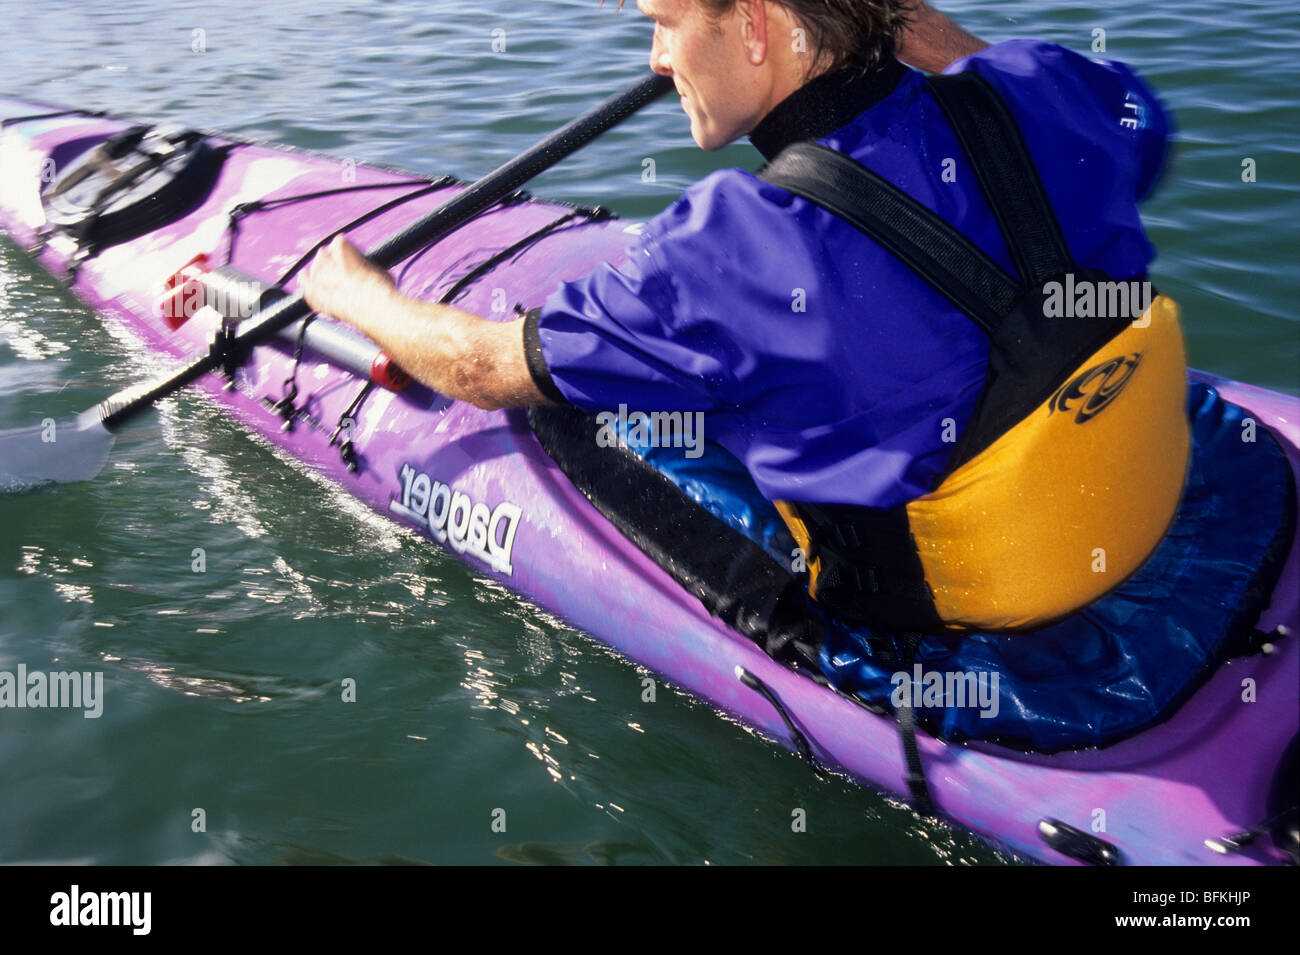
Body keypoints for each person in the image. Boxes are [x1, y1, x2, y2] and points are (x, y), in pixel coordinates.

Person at [298, 0, 1186, 638]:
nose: (654, 59)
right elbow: (1141, 133)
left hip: (962, 592)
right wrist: (926, 33)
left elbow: (479, 372)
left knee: (567, 411)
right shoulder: (1041, 80)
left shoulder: (727, 248)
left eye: (663, 22)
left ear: (756, 26)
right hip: (1135, 484)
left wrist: (353, 291)